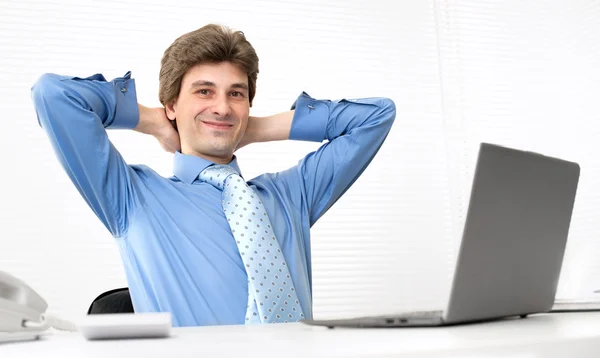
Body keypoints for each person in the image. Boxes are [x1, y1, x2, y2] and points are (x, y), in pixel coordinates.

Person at [30, 23, 396, 327]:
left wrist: (253, 128)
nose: (221, 107)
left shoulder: (292, 194)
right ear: (173, 104)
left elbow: (376, 117)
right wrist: (153, 121)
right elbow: (54, 94)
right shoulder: (132, 197)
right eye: (204, 92)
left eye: (236, 94)